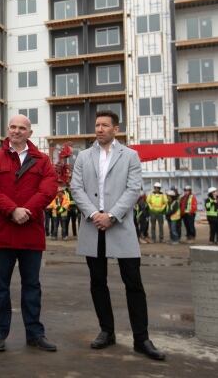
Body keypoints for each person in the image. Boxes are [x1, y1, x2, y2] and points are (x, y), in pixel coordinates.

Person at [70, 110, 165, 361]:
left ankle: (141, 339)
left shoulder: (130, 156)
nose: (99, 129)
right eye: (97, 124)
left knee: (133, 283)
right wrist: (93, 215)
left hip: (120, 226)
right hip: (93, 226)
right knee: (97, 282)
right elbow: (76, 188)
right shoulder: (83, 156)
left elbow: (134, 188)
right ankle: (106, 331)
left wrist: (111, 216)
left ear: (116, 129)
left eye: (105, 125)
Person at [0, 114, 58, 353]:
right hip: (2, 232)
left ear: (30, 133)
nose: (16, 131)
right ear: (7, 130)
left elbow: (49, 189)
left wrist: (28, 211)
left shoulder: (42, 161)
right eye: (13, 127)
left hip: (30, 232)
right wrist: (12, 210)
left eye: (22, 128)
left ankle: (35, 333)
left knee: (32, 285)